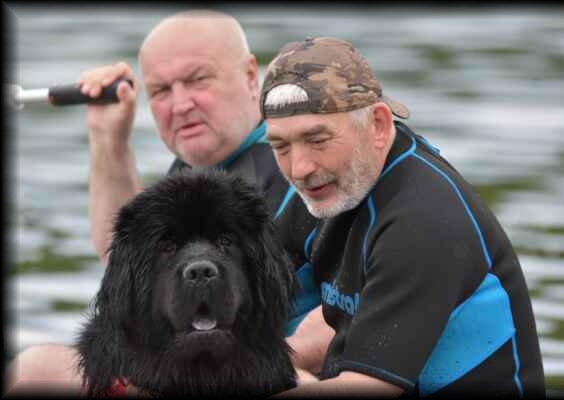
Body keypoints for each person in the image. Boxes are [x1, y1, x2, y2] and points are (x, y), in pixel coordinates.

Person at [5, 11, 330, 396]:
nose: (180, 105)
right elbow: (123, 261)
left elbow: (369, 303)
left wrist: (265, 363)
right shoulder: (190, 175)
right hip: (195, 365)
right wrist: (108, 135)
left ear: (249, 76)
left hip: (283, 373)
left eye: (198, 80)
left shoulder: (308, 169)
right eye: (161, 90)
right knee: (34, 369)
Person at [260, 36, 546, 397]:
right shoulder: (328, 187)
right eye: (280, 146)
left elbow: (366, 388)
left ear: (378, 126)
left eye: (318, 140)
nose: (299, 168)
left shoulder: (423, 221)